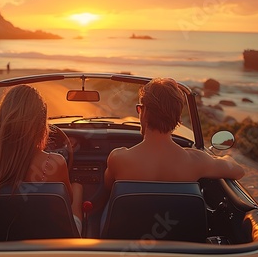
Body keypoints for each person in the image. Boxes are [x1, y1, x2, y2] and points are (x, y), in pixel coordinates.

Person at [0, 84, 83, 233]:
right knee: (77, 189)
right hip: (53, 243)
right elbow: (67, 202)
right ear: (40, 124)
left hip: (5, 244)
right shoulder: (54, 163)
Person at [104, 78, 244, 190]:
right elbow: (238, 171)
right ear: (177, 118)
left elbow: (108, 189)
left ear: (143, 112)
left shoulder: (118, 158)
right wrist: (226, 157)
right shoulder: (196, 161)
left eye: (139, 109)